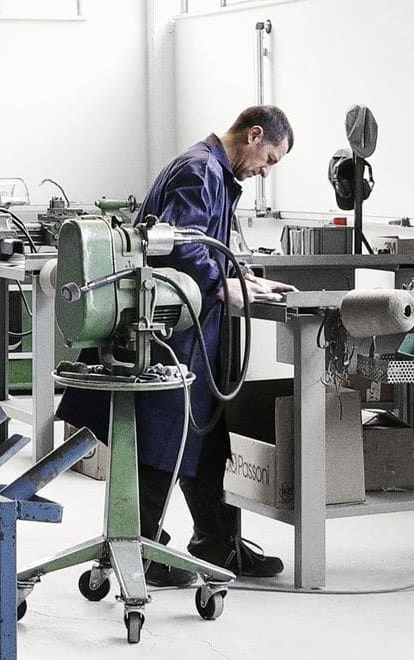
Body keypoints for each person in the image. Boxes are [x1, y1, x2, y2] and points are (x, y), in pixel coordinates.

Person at [58, 105, 297, 581]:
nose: (265, 170)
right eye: (269, 158)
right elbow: (178, 244)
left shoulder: (214, 173)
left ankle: (217, 544)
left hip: (189, 328)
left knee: (205, 440)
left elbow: (205, 243)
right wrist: (220, 284)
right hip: (170, 331)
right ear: (254, 135)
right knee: (163, 443)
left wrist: (244, 278)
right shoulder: (199, 170)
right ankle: (141, 552)